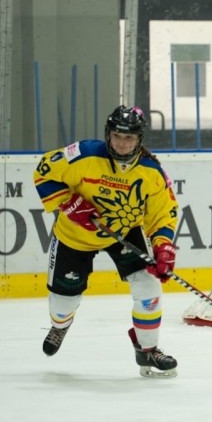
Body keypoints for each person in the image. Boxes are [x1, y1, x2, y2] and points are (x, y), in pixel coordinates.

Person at [33, 106, 180, 378]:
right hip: (75, 235)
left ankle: (147, 349)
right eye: (117, 136)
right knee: (62, 305)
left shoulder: (151, 172)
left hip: (124, 232)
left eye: (129, 138)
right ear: (108, 135)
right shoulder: (84, 154)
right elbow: (44, 171)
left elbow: (163, 213)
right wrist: (69, 204)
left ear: (139, 139)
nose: (122, 144)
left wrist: (163, 247)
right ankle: (60, 326)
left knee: (149, 285)